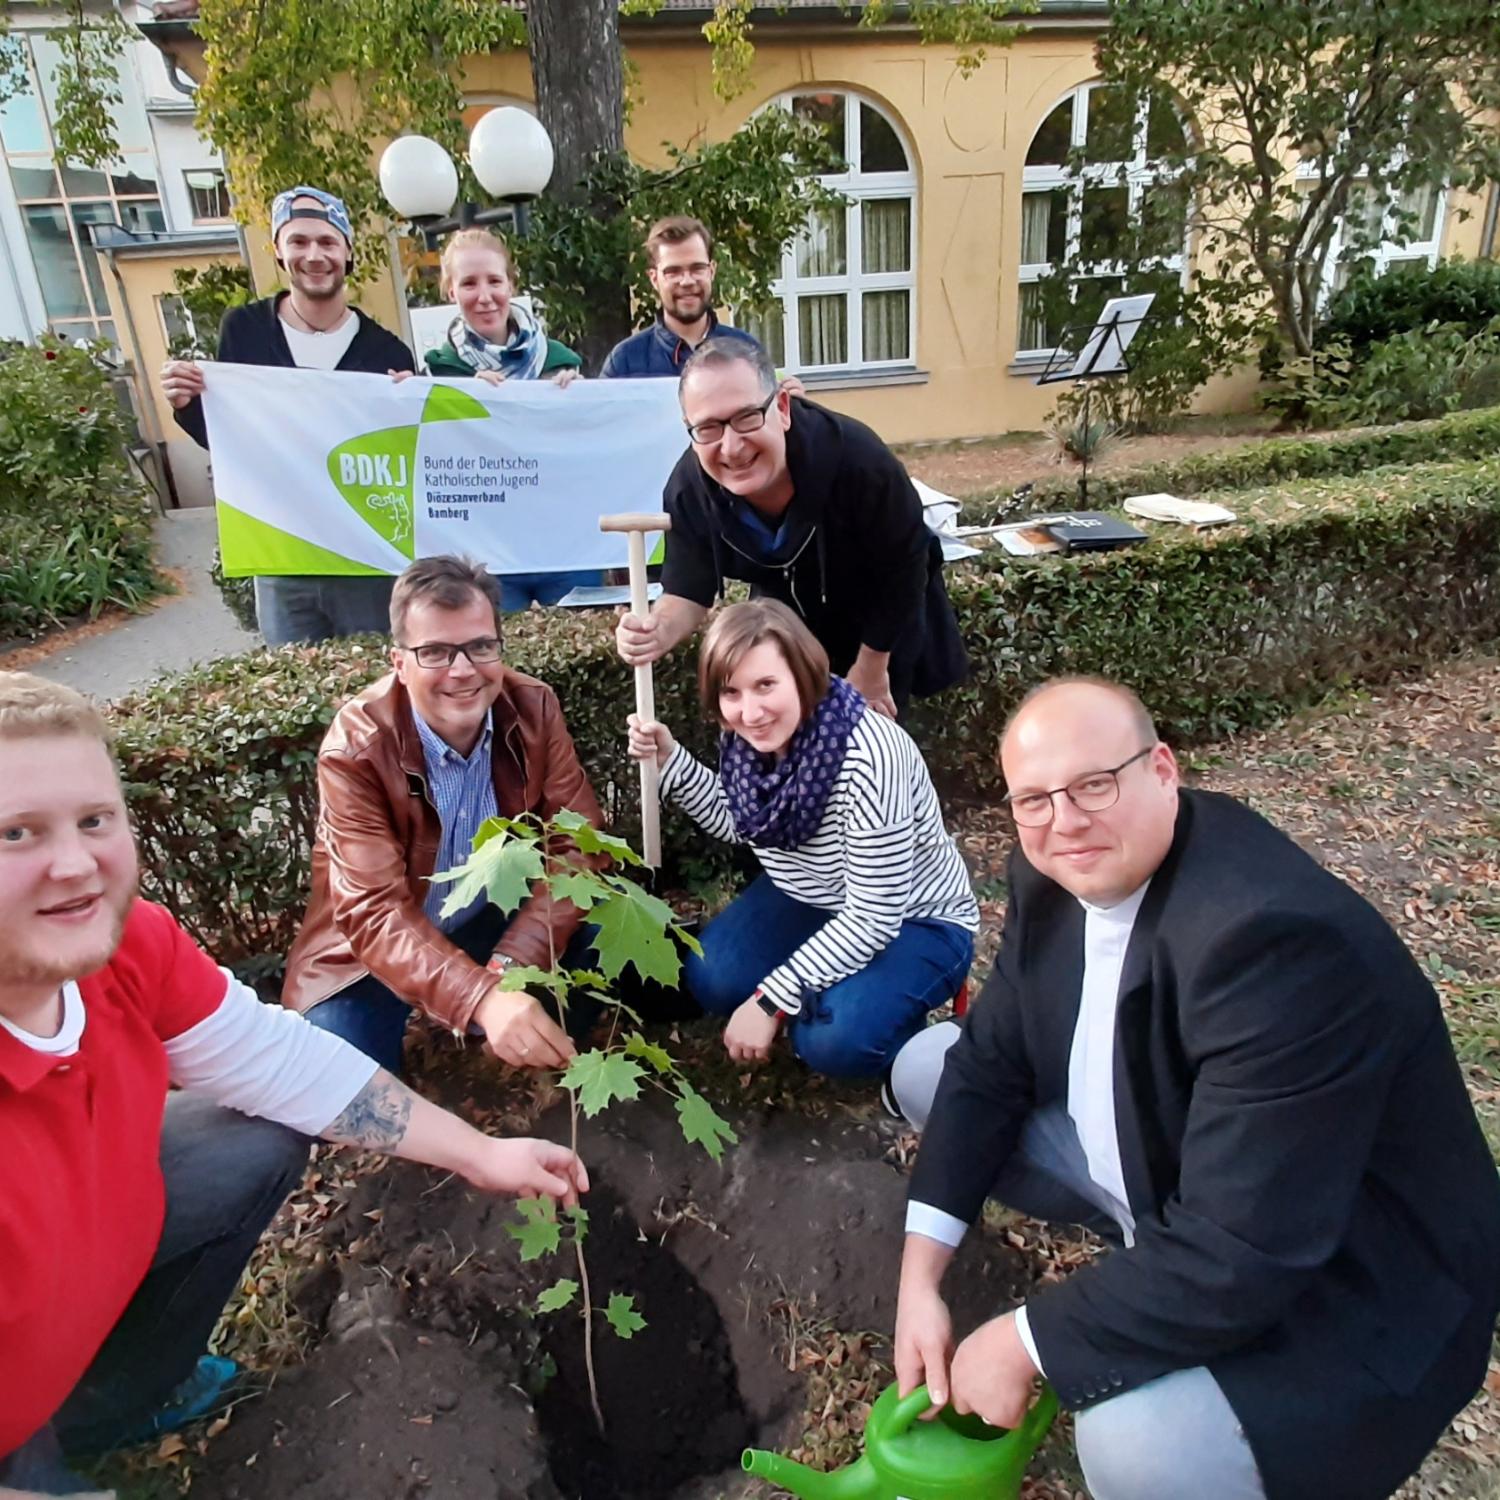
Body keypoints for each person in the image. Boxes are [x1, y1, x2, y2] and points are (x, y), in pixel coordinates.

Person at [890, 677, 1500, 1500]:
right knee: (935, 1065)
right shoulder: (1055, 873)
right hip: (1208, 1181)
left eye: (1094, 785)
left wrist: (1021, 1344)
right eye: (1033, 798)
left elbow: (1241, 1248)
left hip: (1357, 1280)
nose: (1064, 822)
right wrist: (919, 1279)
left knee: (1136, 1443)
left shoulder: (1271, 942)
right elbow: (991, 1064)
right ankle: (1152, 1259)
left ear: (1164, 770)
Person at [0, 671, 587, 1499]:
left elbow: (283, 1063)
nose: (74, 866)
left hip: (72, 1256)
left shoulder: (132, 943)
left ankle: (113, 1396)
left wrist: (478, 1153)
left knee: (250, 1136)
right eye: (16, 833)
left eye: (94, 820)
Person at [283, 554, 604, 1079]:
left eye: (479, 647)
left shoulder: (533, 707)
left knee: (603, 950)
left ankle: (512, 1056)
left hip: (486, 915)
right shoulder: (356, 749)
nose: (462, 671)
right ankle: (475, 1024)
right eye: (434, 651)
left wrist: (512, 966)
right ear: (398, 663)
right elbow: (374, 913)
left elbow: (579, 844)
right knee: (341, 1082)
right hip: (369, 955)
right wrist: (482, 997)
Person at [627, 599, 976, 1079]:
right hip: (813, 896)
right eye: (731, 692)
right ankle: (837, 984)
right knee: (712, 980)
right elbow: (739, 822)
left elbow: (874, 916)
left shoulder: (871, 756)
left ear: (802, 674)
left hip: (912, 916)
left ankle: (905, 1029)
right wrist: (670, 759)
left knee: (833, 1041)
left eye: (766, 685)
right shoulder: (747, 741)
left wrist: (772, 998)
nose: (750, 712)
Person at [614, 339, 967, 719]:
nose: (731, 447)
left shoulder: (861, 463)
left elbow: (905, 566)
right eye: (709, 428)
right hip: (789, 632)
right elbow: (687, 589)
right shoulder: (688, 490)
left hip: (881, 625)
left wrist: (871, 669)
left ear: (781, 408)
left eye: (747, 417)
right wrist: (656, 630)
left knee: (878, 755)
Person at [158, 185, 416, 645]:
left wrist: (409, 405)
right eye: (298, 241)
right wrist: (187, 405)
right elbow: (232, 435)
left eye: (327, 241)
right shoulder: (245, 332)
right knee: (296, 687)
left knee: (375, 689)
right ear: (278, 250)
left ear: (348, 252)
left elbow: (403, 459)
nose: (314, 255)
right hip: (281, 555)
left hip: (363, 559)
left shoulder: (387, 352)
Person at [402, 227, 597, 612]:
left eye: (494, 280)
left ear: (511, 284)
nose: (485, 296)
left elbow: (583, 455)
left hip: (565, 547)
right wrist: (420, 398)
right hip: (484, 557)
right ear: (450, 291)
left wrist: (580, 402)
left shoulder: (558, 361)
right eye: (469, 283)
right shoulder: (438, 374)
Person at [599, 215, 765, 379]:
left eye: (697, 268)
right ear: (654, 279)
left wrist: (790, 400)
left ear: (712, 271)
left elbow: (770, 404)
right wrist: (575, 395)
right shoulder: (624, 363)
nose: (687, 281)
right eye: (673, 272)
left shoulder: (747, 352)